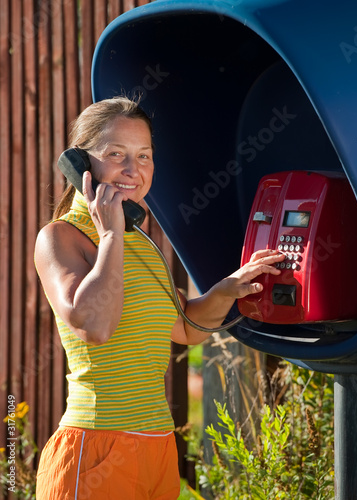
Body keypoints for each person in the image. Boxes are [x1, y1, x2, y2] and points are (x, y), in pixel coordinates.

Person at [34, 96, 285, 500]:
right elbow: (95, 326)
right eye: (117, 154)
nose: (133, 170)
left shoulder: (142, 242)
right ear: (80, 163)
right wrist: (112, 234)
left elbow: (185, 327)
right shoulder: (60, 237)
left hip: (158, 446)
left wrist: (229, 287)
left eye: (144, 156)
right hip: (98, 448)